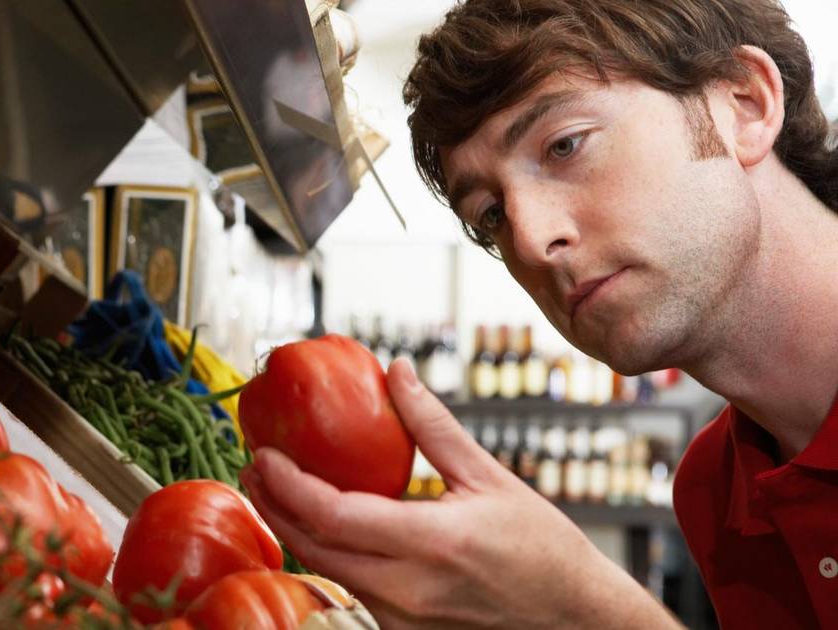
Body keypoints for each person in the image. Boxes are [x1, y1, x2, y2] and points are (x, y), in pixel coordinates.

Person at [239, 0, 838, 627]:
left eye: (564, 146)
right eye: (491, 215)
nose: (528, 240)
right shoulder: (714, 491)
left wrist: (588, 611)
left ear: (745, 104)